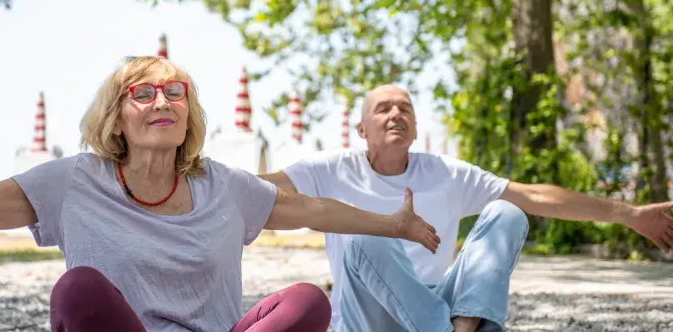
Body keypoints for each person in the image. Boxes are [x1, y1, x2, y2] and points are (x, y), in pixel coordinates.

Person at [0, 58, 441, 332]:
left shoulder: (221, 184)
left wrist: (396, 224)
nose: (162, 102)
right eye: (143, 94)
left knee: (308, 301)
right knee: (79, 289)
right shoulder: (73, 181)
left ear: (190, 116)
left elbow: (311, 210)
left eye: (175, 93)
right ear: (116, 117)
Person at [262, 83, 673, 332]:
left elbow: (536, 197)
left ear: (416, 126)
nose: (396, 114)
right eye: (383, 108)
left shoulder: (445, 173)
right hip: (371, 317)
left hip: (440, 306)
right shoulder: (331, 168)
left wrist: (629, 214)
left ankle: (457, 328)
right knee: (364, 238)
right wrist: (196, 176)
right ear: (361, 129)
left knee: (507, 212)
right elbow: (256, 191)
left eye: (405, 108)